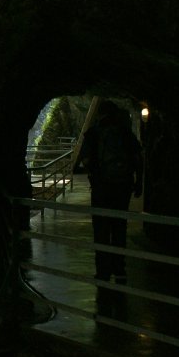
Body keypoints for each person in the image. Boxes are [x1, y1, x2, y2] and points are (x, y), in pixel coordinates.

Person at [77, 100, 143, 284]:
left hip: (101, 189)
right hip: (122, 188)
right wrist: (139, 184)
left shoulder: (94, 133)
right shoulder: (124, 133)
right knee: (119, 227)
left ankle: (103, 271)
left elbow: (86, 160)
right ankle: (119, 269)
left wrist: (95, 174)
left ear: (99, 114)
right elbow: (138, 158)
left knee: (101, 230)